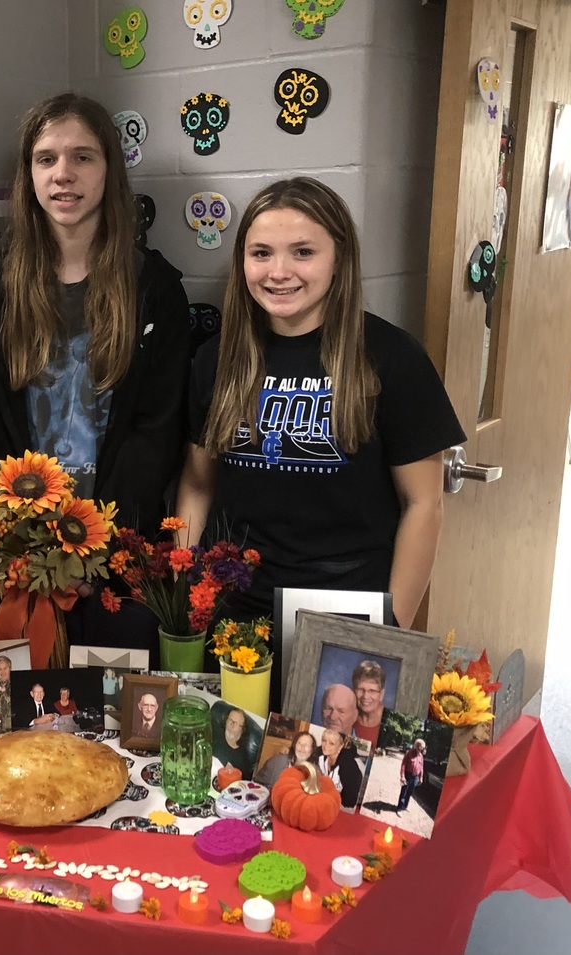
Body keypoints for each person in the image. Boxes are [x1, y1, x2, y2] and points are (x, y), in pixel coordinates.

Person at [0, 92, 192, 661]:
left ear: (110, 170)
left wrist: (95, 550)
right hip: (21, 566)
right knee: (25, 707)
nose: (64, 174)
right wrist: (32, 549)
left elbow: (157, 433)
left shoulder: (154, 291)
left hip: (119, 565)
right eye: (47, 159)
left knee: (117, 709)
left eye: (83, 157)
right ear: (28, 174)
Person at [176, 177, 466, 634]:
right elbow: (197, 486)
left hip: (346, 610)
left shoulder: (392, 357)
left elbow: (424, 504)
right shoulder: (217, 358)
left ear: (339, 259)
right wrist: (185, 591)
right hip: (231, 606)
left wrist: (391, 628)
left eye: (303, 252)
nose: (278, 271)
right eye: (261, 253)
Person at [316, 728, 364, 809]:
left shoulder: (350, 767)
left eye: (331, 743)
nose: (326, 746)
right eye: (324, 740)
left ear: (340, 747)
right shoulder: (319, 757)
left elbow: (349, 802)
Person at [213, 707, 255, 778]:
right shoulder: (215, 732)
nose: (231, 724)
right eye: (230, 720)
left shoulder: (242, 757)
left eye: (235, 723)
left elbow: (242, 781)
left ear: (242, 729)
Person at [352, 660, 386, 745]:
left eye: (372, 691)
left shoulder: (387, 723)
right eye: (361, 689)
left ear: (381, 694)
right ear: (354, 690)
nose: (365, 696)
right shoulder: (345, 716)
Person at [397, 738, 426, 811]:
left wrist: (421, 777)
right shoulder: (409, 753)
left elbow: (421, 767)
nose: (420, 748)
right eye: (418, 746)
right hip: (408, 776)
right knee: (404, 792)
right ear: (415, 745)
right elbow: (403, 765)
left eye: (421, 747)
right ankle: (399, 808)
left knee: (410, 793)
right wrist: (402, 776)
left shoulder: (421, 756)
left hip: (415, 778)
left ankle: (405, 806)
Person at [0, 655, 13, 733]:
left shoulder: (18, 684)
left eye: (5, 668)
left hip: (13, 730)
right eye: (0, 669)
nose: (2, 672)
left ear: (10, 669)